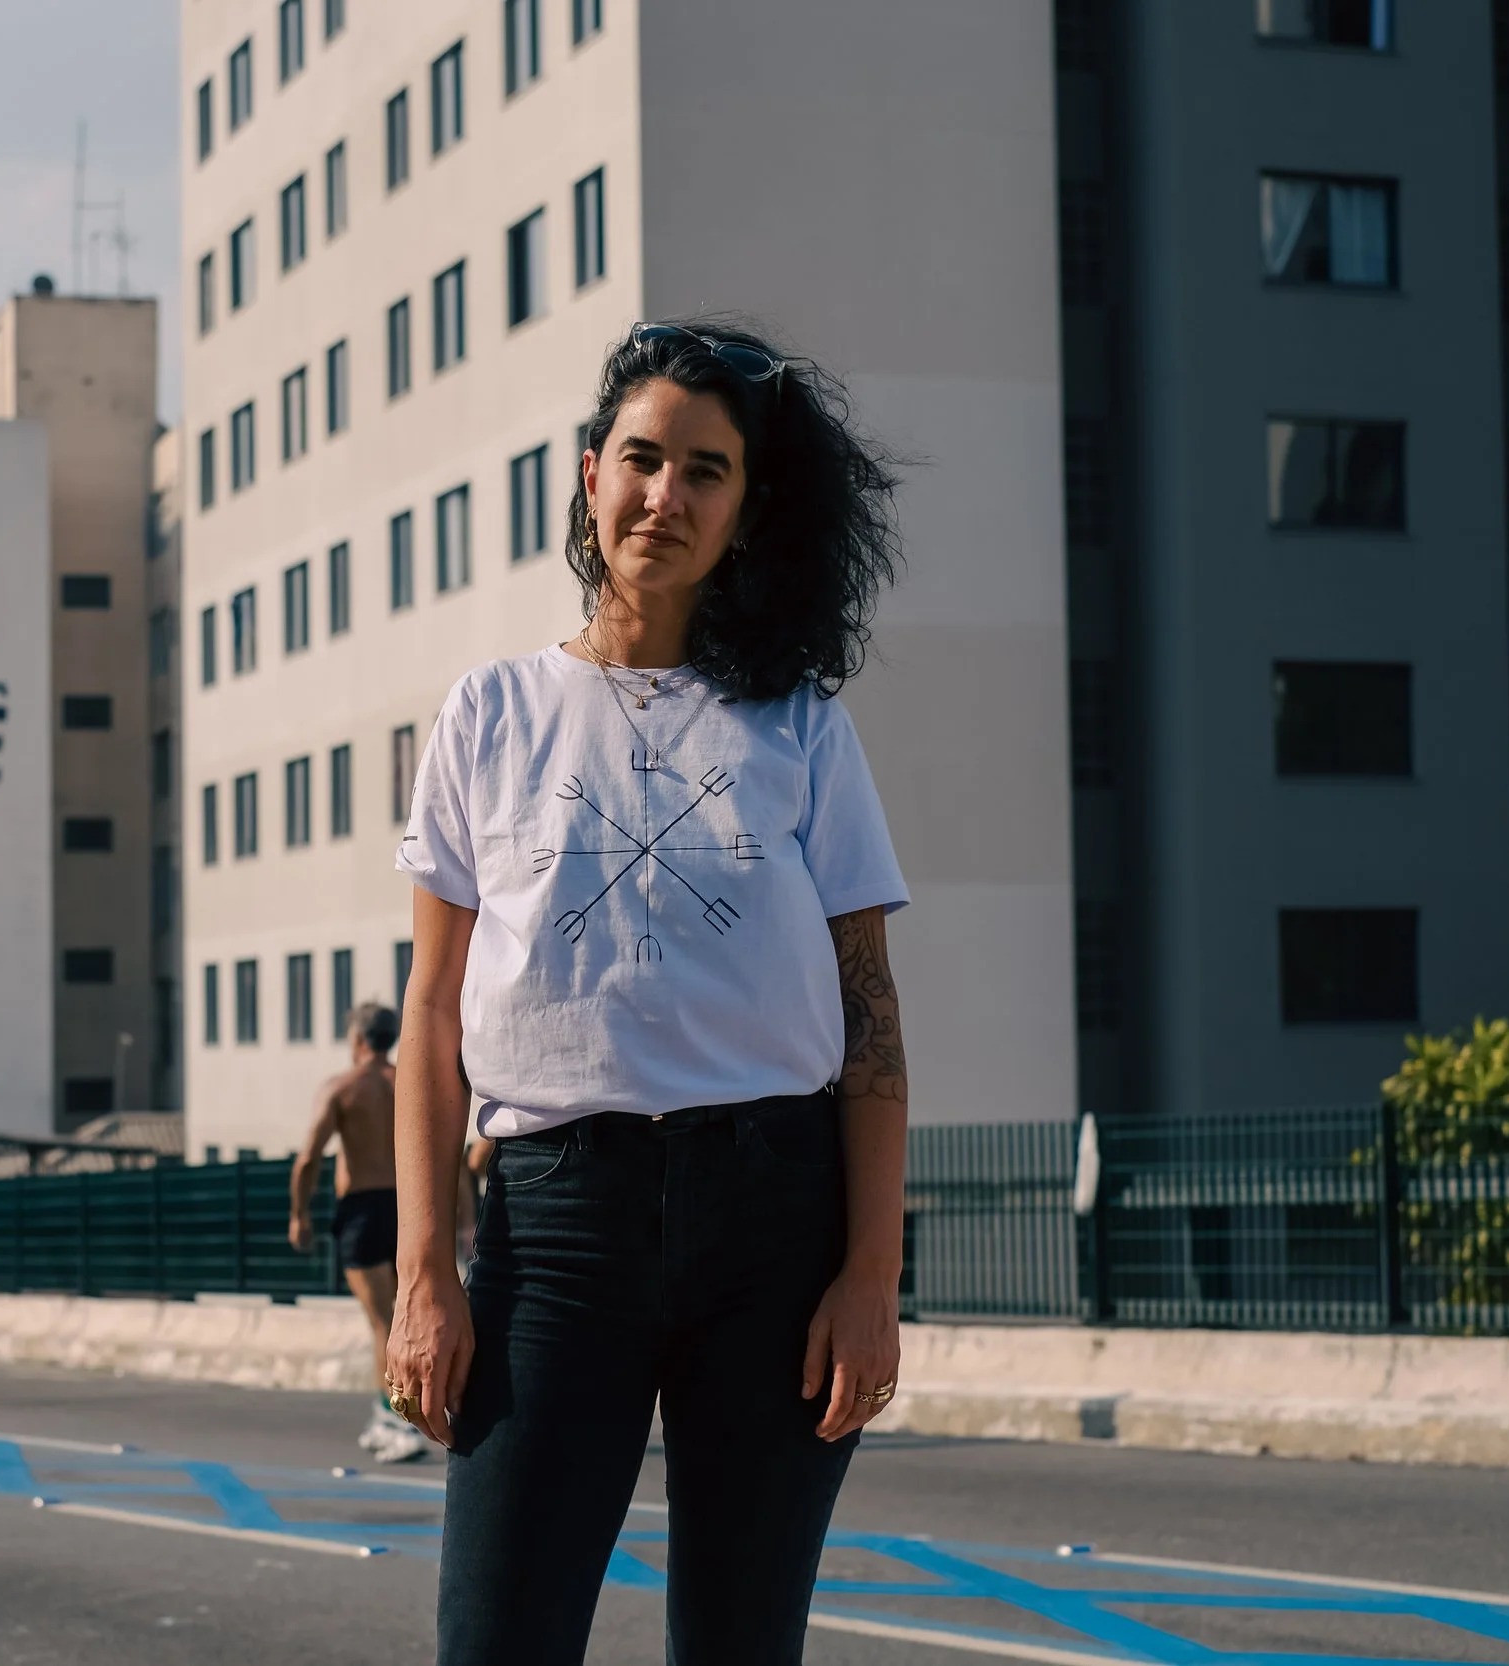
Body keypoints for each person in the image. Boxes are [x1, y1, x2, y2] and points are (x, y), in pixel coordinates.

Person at [384, 319, 912, 1664]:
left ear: (745, 508)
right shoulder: (490, 715)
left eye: (706, 470)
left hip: (773, 1229)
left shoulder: (800, 724)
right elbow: (431, 1019)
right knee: (497, 1639)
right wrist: (423, 1269)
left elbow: (869, 1013)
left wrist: (869, 1270)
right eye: (642, 457)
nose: (664, 495)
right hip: (559, 1234)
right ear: (588, 474)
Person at [289, 1002, 428, 1463]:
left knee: (383, 1323)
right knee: (410, 1316)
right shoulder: (407, 1081)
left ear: (357, 1040)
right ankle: (390, 1413)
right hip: (409, 1208)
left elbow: (308, 1157)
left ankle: (397, 1418)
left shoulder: (343, 1087)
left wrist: (299, 1215)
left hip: (365, 1211)